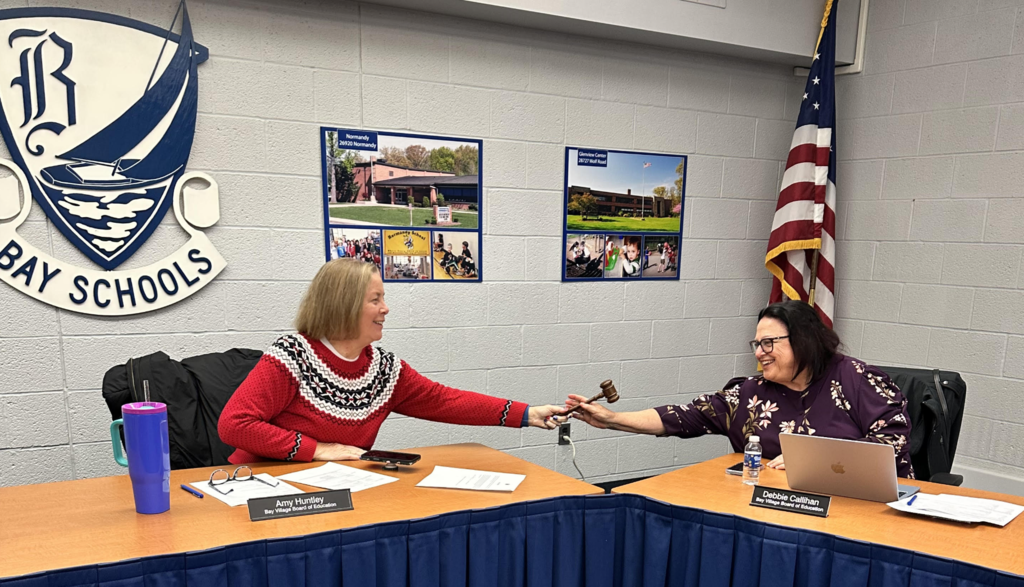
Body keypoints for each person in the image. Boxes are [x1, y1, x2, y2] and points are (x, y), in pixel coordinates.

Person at [219, 259, 564, 463]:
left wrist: (527, 414)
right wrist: (318, 449)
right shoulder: (292, 355)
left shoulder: (382, 369)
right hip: (266, 489)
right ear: (344, 305)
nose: (386, 309)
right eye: (376, 299)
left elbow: (445, 401)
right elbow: (234, 425)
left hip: (334, 490)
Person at [560, 300, 915, 478]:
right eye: (756, 344)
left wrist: (813, 461)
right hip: (771, 514)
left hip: (854, 517)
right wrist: (612, 419)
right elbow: (684, 416)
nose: (760, 353)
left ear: (804, 340)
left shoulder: (856, 380)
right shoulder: (751, 392)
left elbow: (892, 449)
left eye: (769, 343)